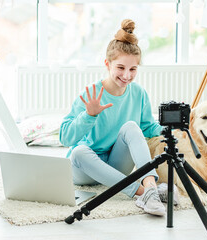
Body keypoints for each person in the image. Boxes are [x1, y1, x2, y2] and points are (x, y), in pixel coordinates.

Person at [60, 19, 170, 216]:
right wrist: (89, 115)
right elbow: (65, 138)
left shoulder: (138, 94)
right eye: (120, 68)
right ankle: (142, 193)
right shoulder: (91, 93)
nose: (127, 75)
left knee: (131, 126)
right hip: (84, 169)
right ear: (107, 64)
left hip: (115, 165)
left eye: (133, 69)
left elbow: (147, 127)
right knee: (78, 152)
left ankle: (151, 188)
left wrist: (169, 129)